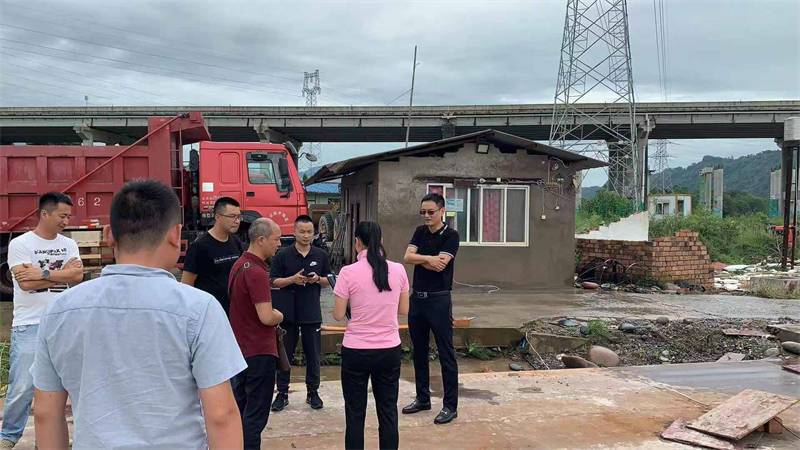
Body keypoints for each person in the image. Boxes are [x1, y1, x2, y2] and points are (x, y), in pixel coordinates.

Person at [30, 179, 246, 449]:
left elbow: (46, 413)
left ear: (109, 235)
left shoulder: (59, 310)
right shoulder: (199, 309)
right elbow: (221, 415)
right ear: (175, 234)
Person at [0, 192, 84, 449]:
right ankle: (8, 436)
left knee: (65, 384)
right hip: (29, 323)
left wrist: (43, 273)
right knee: (22, 386)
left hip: (64, 323)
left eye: (68, 216)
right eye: (62, 216)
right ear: (44, 214)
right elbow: (25, 284)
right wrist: (62, 274)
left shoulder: (69, 244)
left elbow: (77, 276)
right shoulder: (20, 244)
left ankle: (49, 439)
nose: (66, 221)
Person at [333, 221, 409, 450]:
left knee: (355, 413)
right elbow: (404, 309)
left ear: (357, 242)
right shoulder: (398, 270)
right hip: (389, 349)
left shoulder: (347, 272)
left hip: (356, 350)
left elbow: (338, 315)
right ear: (381, 241)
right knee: (388, 411)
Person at [402, 192, 460, 425]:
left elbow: (441, 265)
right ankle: (422, 398)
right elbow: (407, 257)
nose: (426, 216)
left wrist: (420, 257)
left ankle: (450, 406)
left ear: (442, 211)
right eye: (423, 212)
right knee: (419, 352)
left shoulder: (451, 236)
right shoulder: (420, 231)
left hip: (439, 300)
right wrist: (429, 258)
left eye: (431, 212)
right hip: (417, 300)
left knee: (446, 353)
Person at [228, 218, 285, 449]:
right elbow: (266, 317)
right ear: (261, 240)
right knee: (255, 416)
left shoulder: (239, 265)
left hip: (240, 350)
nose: (279, 244)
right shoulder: (257, 273)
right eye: (276, 239)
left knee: (242, 410)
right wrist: (280, 315)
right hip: (259, 353)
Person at [270, 215, 331, 412]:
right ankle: (282, 393)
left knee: (313, 355)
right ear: (294, 232)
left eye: (309, 232)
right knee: (284, 355)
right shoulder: (282, 255)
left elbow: (330, 280)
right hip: (286, 313)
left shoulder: (321, 255)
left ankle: (313, 392)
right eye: (302, 231)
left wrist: (317, 279)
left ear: (314, 233)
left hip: (311, 311)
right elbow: (273, 281)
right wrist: (292, 280)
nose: (306, 235)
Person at [181, 197, 244, 315]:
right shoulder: (199, 246)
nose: (237, 221)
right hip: (209, 313)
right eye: (232, 216)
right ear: (217, 217)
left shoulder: (236, 242)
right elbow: (186, 285)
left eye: (239, 217)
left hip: (233, 311)